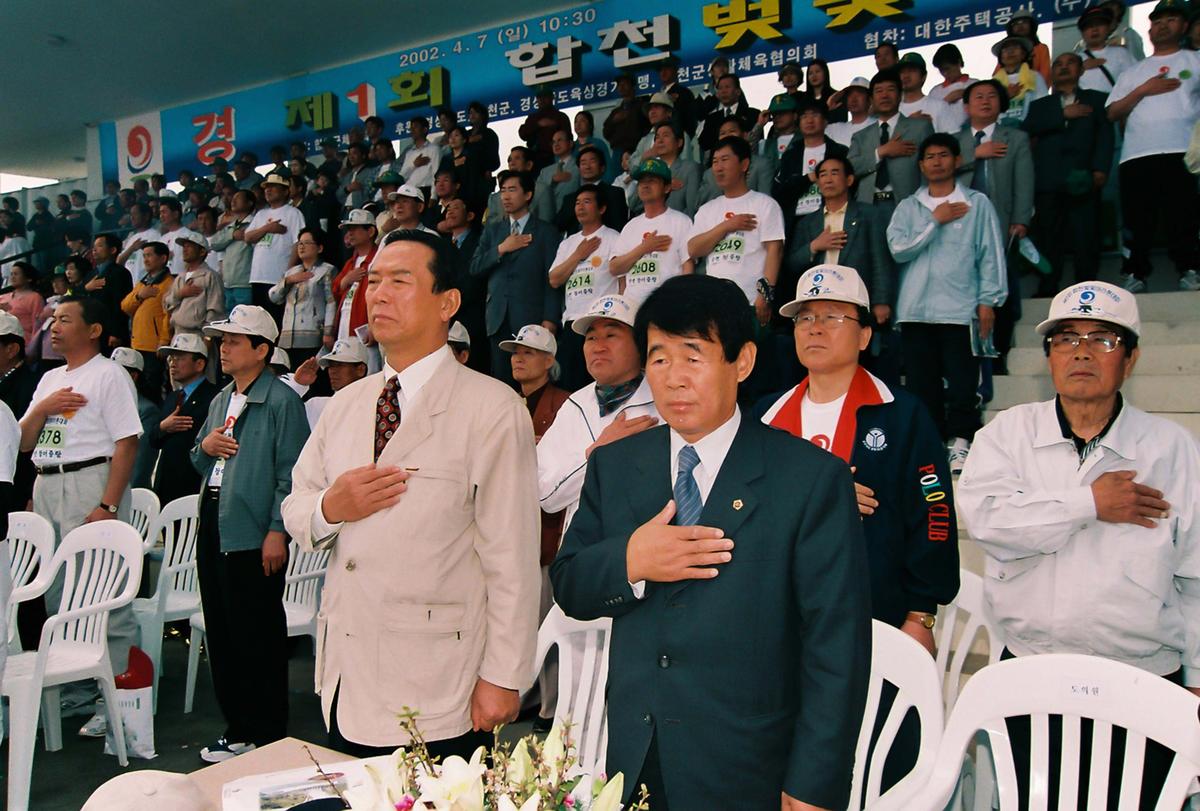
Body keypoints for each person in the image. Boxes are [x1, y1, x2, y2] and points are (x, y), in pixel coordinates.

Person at [551, 273, 872, 810]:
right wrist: (631, 560)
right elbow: (570, 584)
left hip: (750, 768)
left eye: (693, 356)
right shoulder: (617, 464)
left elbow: (837, 647)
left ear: (742, 362)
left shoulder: (810, 479)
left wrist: (814, 782)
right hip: (638, 759)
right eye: (658, 358)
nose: (673, 378)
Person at [281, 228, 540, 758]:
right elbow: (297, 504)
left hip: (438, 680)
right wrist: (332, 507)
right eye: (374, 281)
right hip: (347, 674)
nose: (379, 294)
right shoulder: (347, 403)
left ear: (448, 303)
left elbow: (510, 557)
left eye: (400, 281)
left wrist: (504, 676)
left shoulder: (492, 409)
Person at [957, 281, 1200, 810]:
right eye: (1066, 338)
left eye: (1103, 340)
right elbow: (989, 521)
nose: (1082, 352)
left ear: (1130, 360)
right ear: (1049, 356)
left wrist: (1198, 679)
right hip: (1031, 668)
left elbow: (1196, 575)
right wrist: (1088, 503)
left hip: (1142, 677)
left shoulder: (1172, 449)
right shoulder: (1007, 435)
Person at [758, 264, 959, 639]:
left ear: (864, 336)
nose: (815, 328)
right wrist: (821, 499)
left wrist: (921, 613)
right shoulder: (763, 416)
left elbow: (934, 512)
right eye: (805, 318)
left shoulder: (903, 415)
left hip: (873, 617)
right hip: (773, 616)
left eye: (832, 316)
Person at [18, 295, 142, 737]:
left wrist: (109, 505)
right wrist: (42, 408)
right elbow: (23, 442)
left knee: (101, 591)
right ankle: (81, 687)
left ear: (93, 330)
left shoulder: (109, 374)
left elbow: (127, 442)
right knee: (59, 593)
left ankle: (121, 698)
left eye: (65, 319)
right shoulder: (50, 378)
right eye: (53, 319)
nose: (54, 326)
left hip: (90, 479)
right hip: (48, 482)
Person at [192, 305, 309, 761]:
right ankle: (238, 726)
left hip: (253, 530)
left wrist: (277, 531)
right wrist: (205, 446)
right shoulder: (221, 399)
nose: (224, 348)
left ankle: (266, 730)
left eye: (234, 341)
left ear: (262, 350)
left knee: (256, 633)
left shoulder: (282, 401)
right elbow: (199, 459)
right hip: (215, 521)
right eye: (222, 341)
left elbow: (293, 473)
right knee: (222, 631)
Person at [886, 134, 1007, 473]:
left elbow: (990, 255)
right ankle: (931, 444)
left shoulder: (976, 203)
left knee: (962, 381)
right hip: (916, 310)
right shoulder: (909, 207)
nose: (936, 162)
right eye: (929, 157)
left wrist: (988, 301)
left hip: (959, 309)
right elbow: (898, 250)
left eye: (943, 155)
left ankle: (961, 441)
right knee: (922, 384)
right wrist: (935, 220)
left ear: (957, 160)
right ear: (921, 165)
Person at [499, 323, 570, 731]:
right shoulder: (507, 401)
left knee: (547, 617)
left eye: (528, 352)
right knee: (519, 618)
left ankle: (550, 705)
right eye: (515, 352)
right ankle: (524, 696)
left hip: (547, 529)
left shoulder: (564, 404)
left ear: (549, 361)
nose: (518, 359)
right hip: (512, 526)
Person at [537, 294, 659, 533]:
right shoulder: (574, 404)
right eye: (591, 338)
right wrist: (598, 453)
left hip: (646, 546)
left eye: (611, 335)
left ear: (640, 343)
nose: (598, 347)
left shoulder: (667, 399)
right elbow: (545, 496)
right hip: (581, 549)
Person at [1106, 0, 1200, 292]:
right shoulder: (1133, 71)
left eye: (1171, 20)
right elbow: (1112, 112)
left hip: (1182, 150)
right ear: (1149, 31)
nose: (1163, 26)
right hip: (1137, 154)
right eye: (1157, 21)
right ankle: (1135, 273)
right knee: (1138, 218)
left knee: (1183, 215)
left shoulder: (1194, 60)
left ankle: (1189, 269)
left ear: (1184, 26)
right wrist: (1144, 90)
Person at [688, 136, 785, 401]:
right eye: (715, 161)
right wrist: (726, 226)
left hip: (751, 303)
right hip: (714, 308)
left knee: (755, 376)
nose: (718, 167)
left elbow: (774, 251)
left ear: (744, 164)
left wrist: (765, 294)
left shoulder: (764, 204)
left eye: (725, 160)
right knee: (720, 375)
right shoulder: (708, 210)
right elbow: (694, 249)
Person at [956, 79, 1035, 370]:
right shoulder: (953, 140)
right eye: (978, 96)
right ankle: (968, 354)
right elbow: (935, 169)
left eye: (991, 96)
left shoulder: (1015, 138)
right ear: (966, 106)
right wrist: (974, 155)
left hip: (1001, 223)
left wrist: (1021, 219)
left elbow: (1024, 181)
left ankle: (999, 353)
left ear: (1001, 104)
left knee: (1002, 288)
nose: (985, 101)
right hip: (960, 224)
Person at [1023, 53, 1114, 296]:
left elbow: (1105, 137)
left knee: (1086, 235)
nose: (1063, 68)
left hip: (1083, 178)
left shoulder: (1097, 99)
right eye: (1058, 64)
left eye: (1070, 63)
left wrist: (1100, 169)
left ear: (1081, 70)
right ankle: (1047, 288)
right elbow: (1028, 129)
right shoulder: (1040, 105)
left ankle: (1087, 290)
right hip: (1048, 181)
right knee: (1048, 238)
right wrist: (1062, 114)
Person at [469, 170, 561, 385]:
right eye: (503, 191)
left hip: (532, 317)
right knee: (501, 382)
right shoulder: (493, 231)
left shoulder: (546, 231)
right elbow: (474, 267)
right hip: (497, 318)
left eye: (512, 190)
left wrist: (550, 318)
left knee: (534, 381)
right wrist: (501, 249)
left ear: (528, 194)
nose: (506, 196)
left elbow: (552, 279)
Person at [786, 156, 894, 330]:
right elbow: (792, 264)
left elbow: (880, 260)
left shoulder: (869, 215)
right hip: (818, 299)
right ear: (818, 183)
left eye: (834, 173)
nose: (828, 179)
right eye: (823, 174)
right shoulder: (807, 223)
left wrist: (882, 301)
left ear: (849, 180)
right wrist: (814, 246)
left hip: (857, 299)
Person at [548, 186, 621, 390]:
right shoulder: (569, 243)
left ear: (602, 208)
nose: (580, 206)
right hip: (572, 322)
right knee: (571, 385)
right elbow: (554, 279)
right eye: (577, 203)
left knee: (601, 381)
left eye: (587, 201)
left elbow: (622, 279)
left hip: (601, 319)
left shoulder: (613, 237)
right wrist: (578, 255)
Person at [612, 158, 695, 309]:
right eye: (641, 181)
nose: (645, 185)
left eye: (652, 181)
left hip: (667, 305)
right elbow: (615, 268)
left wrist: (683, 302)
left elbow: (687, 266)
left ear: (667, 187)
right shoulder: (630, 226)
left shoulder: (681, 221)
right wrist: (644, 248)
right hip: (632, 308)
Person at [848, 71, 935, 213]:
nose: (885, 95)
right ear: (871, 99)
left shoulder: (920, 127)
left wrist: (927, 204)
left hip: (908, 205)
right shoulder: (860, 136)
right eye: (879, 91)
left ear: (900, 95)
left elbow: (930, 167)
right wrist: (881, 152)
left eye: (890, 89)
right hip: (868, 207)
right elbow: (849, 169)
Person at [149, 333, 218, 507]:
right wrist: (163, 427)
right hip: (165, 485)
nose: (173, 363)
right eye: (171, 358)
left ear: (199, 364)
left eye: (180, 358)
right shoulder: (173, 397)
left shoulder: (214, 397)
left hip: (192, 487)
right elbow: (153, 439)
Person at [773, 97, 851, 230]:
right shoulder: (790, 155)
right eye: (804, 116)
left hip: (831, 216)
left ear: (825, 121)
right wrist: (808, 178)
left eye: (815, 115)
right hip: (795, 221)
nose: (809, 120)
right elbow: (780, 191)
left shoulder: (839, 151)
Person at [268, 228, 335, 367]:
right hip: (287, 337)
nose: (301, 246)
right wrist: (288, 280)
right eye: (299, 243)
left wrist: (328, 332)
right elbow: (274, 297)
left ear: (320, 248)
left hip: (312, 335)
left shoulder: (327, 270)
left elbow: (331, 303)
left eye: (307, 243)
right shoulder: (291, 272)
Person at [245, 173, 306, 319]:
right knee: (259, 321)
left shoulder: (293, 213)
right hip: (258, 276)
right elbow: (248, 237)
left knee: (276, 319)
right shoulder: (261, 214)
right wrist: (267, 228)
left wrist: (288, 273)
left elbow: (297, 243)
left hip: (277, 277)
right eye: (266, 187)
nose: (268, 190)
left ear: (285, 191)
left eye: (273, 187)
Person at [441, 199, 489, 375]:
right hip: (446, 317)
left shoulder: (480, 241)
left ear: (470, 215)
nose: (450, 211)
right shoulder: (442, 245)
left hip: (473, 314)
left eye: (456, 208)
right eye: (448, 208)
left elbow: (476, 277)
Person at [121, 242, 174, 394]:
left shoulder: (169, 283)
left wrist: (164, 341)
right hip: (137, 343)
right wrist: (139, 296)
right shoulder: (142, 283)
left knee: (152, 388)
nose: (145, 259)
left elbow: (168, 315)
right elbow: (125, 306)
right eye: (144, 256)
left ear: (163, 258)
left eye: (149, 255)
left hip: (154, 346)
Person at [289, 336, 370, 428]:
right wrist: (298, 385)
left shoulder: (373, 406)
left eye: (339, 365)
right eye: (331, 365)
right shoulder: (316, 405)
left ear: (360, 370)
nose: (332, 371)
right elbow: (282, 418)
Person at [110, 347, 160, 489]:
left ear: (133, 376)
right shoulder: (102, 405)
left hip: (126, 491)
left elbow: (141, 462)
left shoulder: (146, 411)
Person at [330, 210, 379, 348]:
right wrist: (345, 280)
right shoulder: (350, 263)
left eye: (355, 229)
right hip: (345, 324)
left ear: (370, 231)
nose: (350, 233)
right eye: (348, 229)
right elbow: (335, 289)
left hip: (366, 329)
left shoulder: (379, 259)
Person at [632, 122, 701, 219]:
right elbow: (633, 205)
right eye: (657, 137)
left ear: (679, 142)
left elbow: (692, 208)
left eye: (665, 136)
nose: (660, 141)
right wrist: (659, 186)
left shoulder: (690, 169)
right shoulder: (649, 169)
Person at [164, 234, 225, 338]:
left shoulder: (210, 276)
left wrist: (208, 337)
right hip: (178, 334)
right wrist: (180, 294)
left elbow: (215, 309)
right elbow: (167, 304)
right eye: (184, 246)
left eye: (189, 246)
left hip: (198, 335)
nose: (184, 249)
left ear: (202, 252)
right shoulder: (180, 277)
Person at [556, 146, 629, 234]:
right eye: (583, 163)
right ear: (579, 169)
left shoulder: (614, 193)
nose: (587, 167)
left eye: (592, 162)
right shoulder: (570, 198)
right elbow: (558, 226)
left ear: (602, 168)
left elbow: (619, 226)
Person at [1075, 6, 1136, 95]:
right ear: (1082, 32)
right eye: (1089, 26)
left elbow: (1135, 81)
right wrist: (1081, 68)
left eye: (1099, 24)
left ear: (1108, 28)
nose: (1095, 29)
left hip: (1115, 102)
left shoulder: (1121, 53)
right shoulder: (1075, 59)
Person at [698, 74, 760, 157]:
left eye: (727, 87)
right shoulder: (712, 119)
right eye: (720, 88)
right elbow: (704, 144)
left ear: (738, 91)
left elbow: (757, 140)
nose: (723, 91)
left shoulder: (753, 114)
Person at [992, 35, 1048, 123]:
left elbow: (1043, 104)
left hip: (1030, 126)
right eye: (1005, 49)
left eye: (1015, 47)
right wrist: (1005, 97)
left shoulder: (1035, 76)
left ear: (1023, 54)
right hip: (1000, 128)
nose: (1010, 52)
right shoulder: (993, 83)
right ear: (1001, 58)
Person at [897, 53, 953, 133]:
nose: (906, 76)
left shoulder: (939, 106)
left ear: (923, 76)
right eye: (902, 72)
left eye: (911, 70)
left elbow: (952, 137)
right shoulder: (891, 109)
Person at [533, 129, 581, 225]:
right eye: (553, 142)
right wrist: (552, 182)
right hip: (546, 220)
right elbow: (537, 194)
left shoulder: (579, 166)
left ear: (570, 143)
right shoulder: (545, 171)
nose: (556, 144)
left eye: (560, 140)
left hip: (572, 218)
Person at [520, 88, 573, 170]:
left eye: (545, 97)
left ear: (552, 98)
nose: (542, 100)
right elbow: (523, 134)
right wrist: (538, 125)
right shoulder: (532, 118)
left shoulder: (561, 117)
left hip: (555, 157)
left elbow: (568, 139)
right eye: (539, 97)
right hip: (535, 158)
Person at [602, 75, 650, 166]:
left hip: (637, 149)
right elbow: (605, 132)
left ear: (633, 86)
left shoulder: (642, 106)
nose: (621, 87)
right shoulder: (616, 111)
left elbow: (648, 127)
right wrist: (614, 121)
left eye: (625, 84)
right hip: (618, 152)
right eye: (619, 85)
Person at [928, 44, 973, 133]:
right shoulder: (935, 92)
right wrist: (945, 101)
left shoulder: (974, 84)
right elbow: (930, 117)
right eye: (941, 70)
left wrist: (968, 93)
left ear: (958, 63)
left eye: (947, 68)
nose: (945, 73)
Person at [157, 198, 204, 277]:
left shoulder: (189, 236)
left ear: (176, 214)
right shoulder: (161, 239)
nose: (161, 216)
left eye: (164, 212)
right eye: (160, 213)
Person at [0, 262, 45, 343]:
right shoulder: (2, 297)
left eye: (16, 274)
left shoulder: (35, 297)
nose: (12, 277)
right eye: (11, 274)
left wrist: (34, 345)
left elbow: (37, 324)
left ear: (28, 278)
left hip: (22, 342)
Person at [825, 77, 876, 147]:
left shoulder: (880, 126)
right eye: (850, 94)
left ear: (870, 99)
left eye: (859, 93)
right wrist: (827, 108)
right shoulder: (835, 129)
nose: (853, 99)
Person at [1004, 10, 1052, 83]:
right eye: (1016, 23)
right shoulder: (1005, 50)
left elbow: (1045, 75)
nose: (1020, 26)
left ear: (1031, 26)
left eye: (1024, 22)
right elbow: (997, 75)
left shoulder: (1041, 48)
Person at [658, 57, 697, 136]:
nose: (663, 72)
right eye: (661, 69)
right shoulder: (657, 95)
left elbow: (690, 120)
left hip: (677, 137)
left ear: (675, 71)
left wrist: (683, 138)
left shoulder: (684, 92)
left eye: (667, 68)